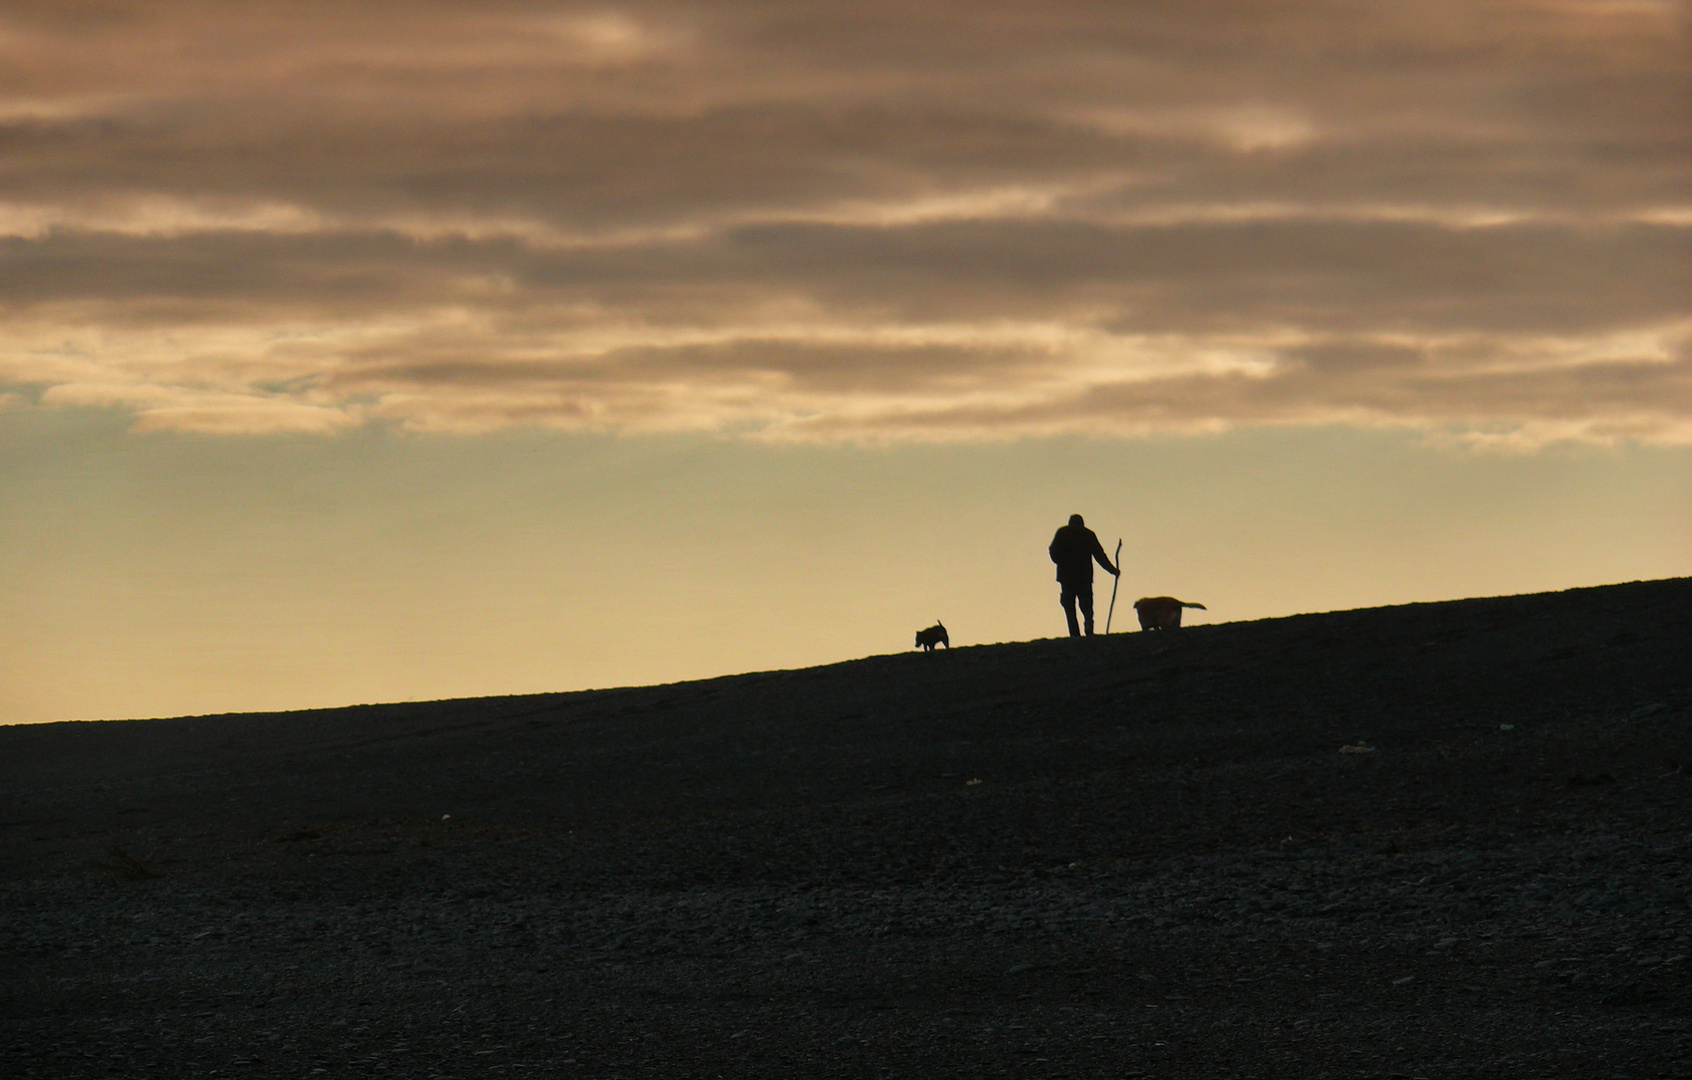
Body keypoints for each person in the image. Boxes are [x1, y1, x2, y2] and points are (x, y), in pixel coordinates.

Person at [1048, 513, 1118, 637]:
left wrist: (1061, 562)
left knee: (1069, 606)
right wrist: (1112, 570)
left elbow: (1053, 551)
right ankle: (1089, 626)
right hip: (1084, 577)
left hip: (1066, 577)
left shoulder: (1062, 533)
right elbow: (1099, 555)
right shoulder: (1088, 534)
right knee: (1086, 605)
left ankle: (1074, 633)